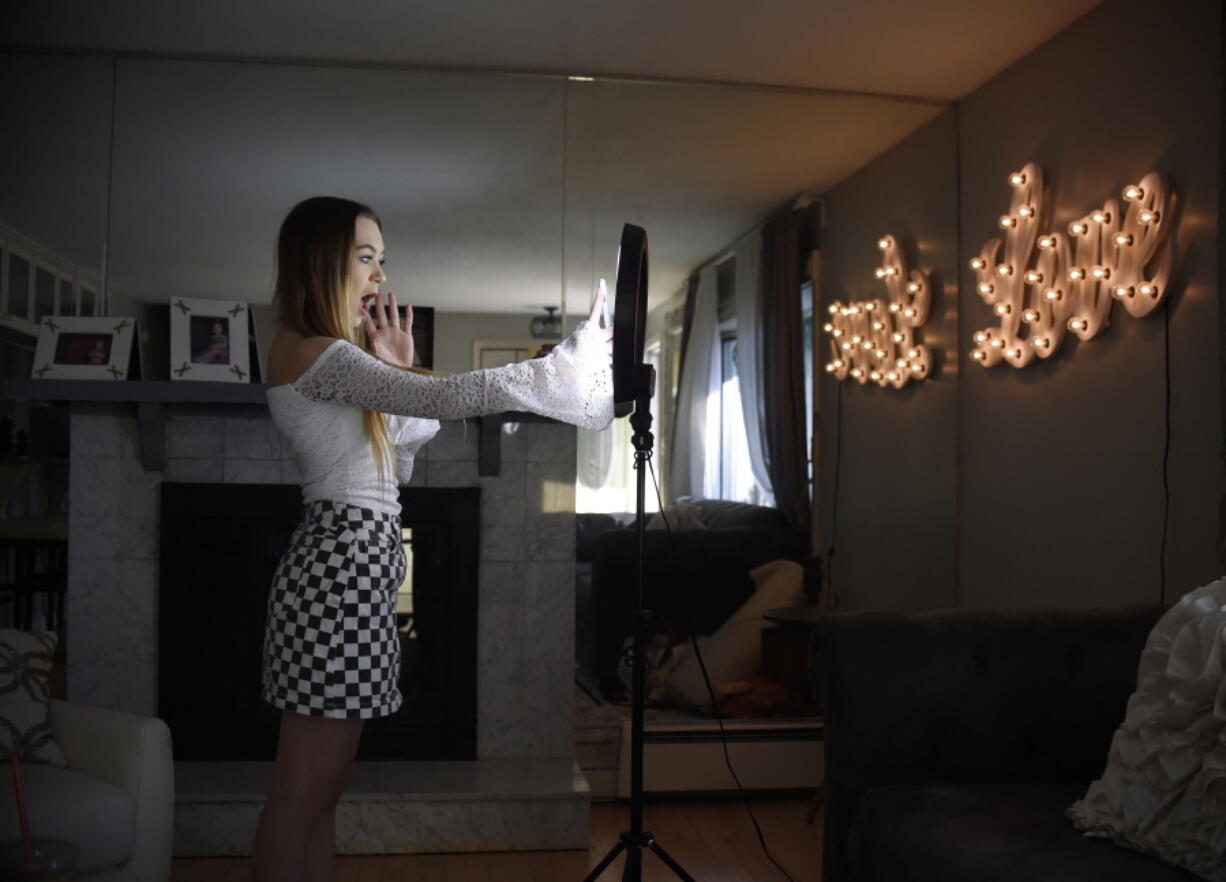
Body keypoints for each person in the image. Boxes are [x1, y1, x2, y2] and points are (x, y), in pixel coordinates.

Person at [252, 196, 612, 881]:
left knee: (322, 794)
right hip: (336, 572)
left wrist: (397, 364)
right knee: (300, 792)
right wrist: (561, 366)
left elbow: (401, 457)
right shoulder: (309, 349)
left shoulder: (341, 358)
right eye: (365, 258)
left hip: (357, 569)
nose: (379, 276)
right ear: (321, 260)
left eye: (381, 260)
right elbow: (441, 401)